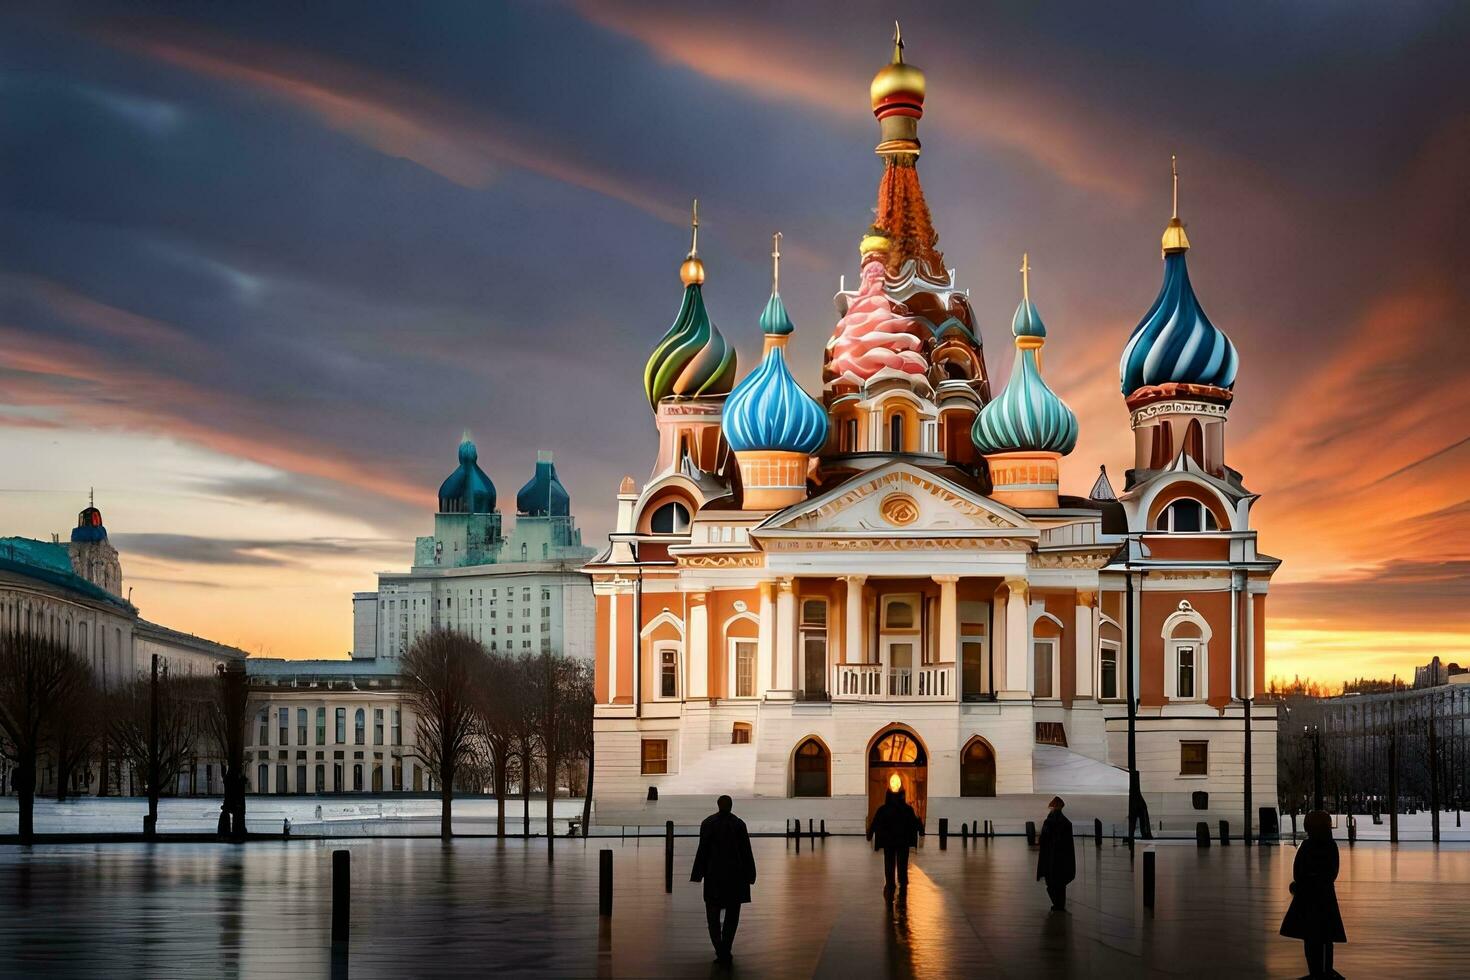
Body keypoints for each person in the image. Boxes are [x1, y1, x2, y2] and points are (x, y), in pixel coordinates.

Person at [1280, 810, 1346, 978]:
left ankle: (1315, 971)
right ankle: (1325, 970)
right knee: (1325, 937)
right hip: (1325, 899)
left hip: (1307, 898)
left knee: (1310, 937)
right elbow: (1332, 873)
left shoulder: (1306, 846)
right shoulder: (1331, 846)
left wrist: (1304, 882)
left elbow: (1297, 872)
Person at [691, 795, 756, 965]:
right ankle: (726, 948)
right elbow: (746, 851)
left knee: (713, 916)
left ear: (718, 805)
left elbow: (702, 851)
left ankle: (719, 948)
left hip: (714, 876)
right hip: (735, 877)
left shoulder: (708, 823)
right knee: (732, 916)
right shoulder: (738, 824)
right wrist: (750, 874)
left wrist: (698, 873)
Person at [867, 784, 923, 896]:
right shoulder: (907, 809)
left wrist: (870, 834)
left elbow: (875, 822)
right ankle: (902, 882)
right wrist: (921, 830)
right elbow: (914, 822)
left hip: (888, 841)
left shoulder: (883, 809)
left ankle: (890, 883)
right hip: (903, 841)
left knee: (889, 862)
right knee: (902, 863)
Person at [1036, 796, 1075, 911]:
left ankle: (1056, 904)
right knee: (1061, 884)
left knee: (1051, 883)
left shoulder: (1049, 822)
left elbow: (1043, 839)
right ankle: (1060, 905)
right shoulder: (1066, 823)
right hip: (1062, 860)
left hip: (1050, 858)